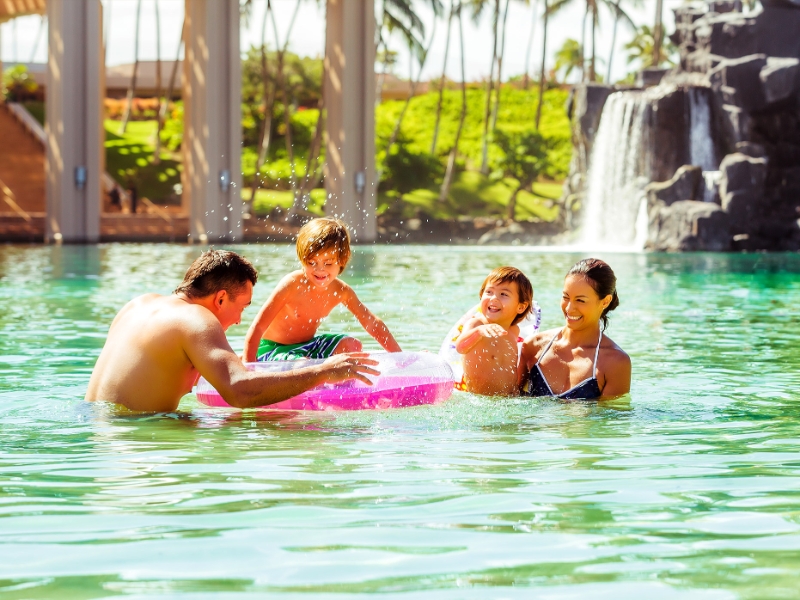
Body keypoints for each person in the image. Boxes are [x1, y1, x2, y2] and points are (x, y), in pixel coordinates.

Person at [85, 249, 379, 412]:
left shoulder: (138, 305)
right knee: (285, 427)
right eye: (242, 307)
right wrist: (323, 371)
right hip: (137, 439)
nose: (239, 320)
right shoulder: (197, 320)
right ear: (221, 298)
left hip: (98, 432)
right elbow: (240, 392)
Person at [242, 217, 401, 362]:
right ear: (302, 259)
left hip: (309, 346)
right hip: (273, 349)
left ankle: (337, 382)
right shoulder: (292, 284)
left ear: (342, 260)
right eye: (312, 263)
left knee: (353, 346)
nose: (320, 269)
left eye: (328, 263)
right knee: (302, 364)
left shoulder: (341, 290)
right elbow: (258, 327)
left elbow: (371, 323)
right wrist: (249, 366)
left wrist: (399, 357)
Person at [518, 258, 631, 400]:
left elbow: (611, 414)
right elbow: (507, 399)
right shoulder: (534, 347)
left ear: (605, 301)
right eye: (565, 297)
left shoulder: (615, 362)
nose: (569, 308)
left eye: (580, 300)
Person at [455, 266, 533, 396]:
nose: (494, 298)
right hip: (481, 399)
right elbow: (460, 348)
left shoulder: (514, 331)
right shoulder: (476, 324)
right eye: (489, 292)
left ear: (521, 307)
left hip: (509, 398)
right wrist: (478, 332)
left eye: (503, 294)